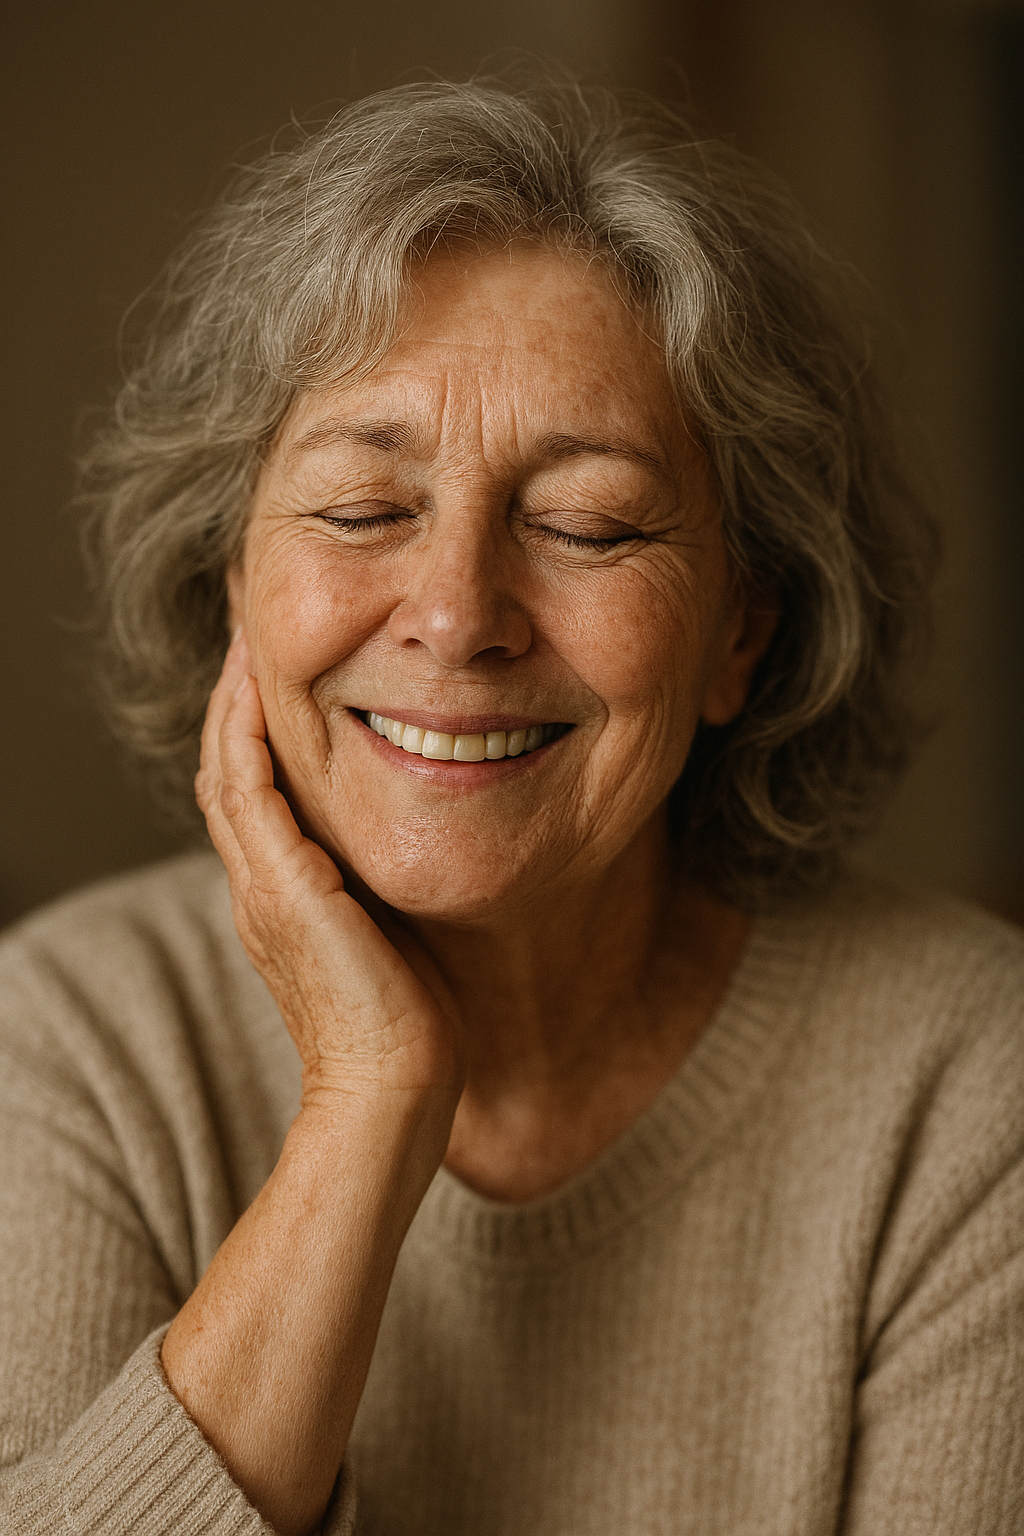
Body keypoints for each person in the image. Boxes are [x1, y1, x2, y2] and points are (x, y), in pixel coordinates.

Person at [1, 76, 1021, 1536]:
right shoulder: (66, 1043)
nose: (458, 613)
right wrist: (368, 1105)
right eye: (363, 510)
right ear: (235, 584)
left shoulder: (974, 1082)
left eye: (585, 525)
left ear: (739, 632)